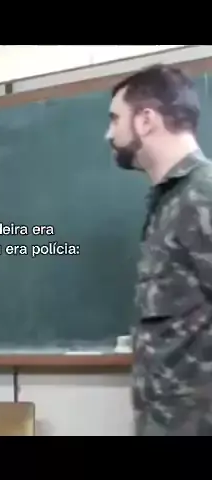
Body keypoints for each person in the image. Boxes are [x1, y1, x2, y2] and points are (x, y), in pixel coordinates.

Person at [105, 63, 212, 435]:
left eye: (115, 119)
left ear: (146, 120)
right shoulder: (169, 202)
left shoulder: (203, 196)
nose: (109, 133)